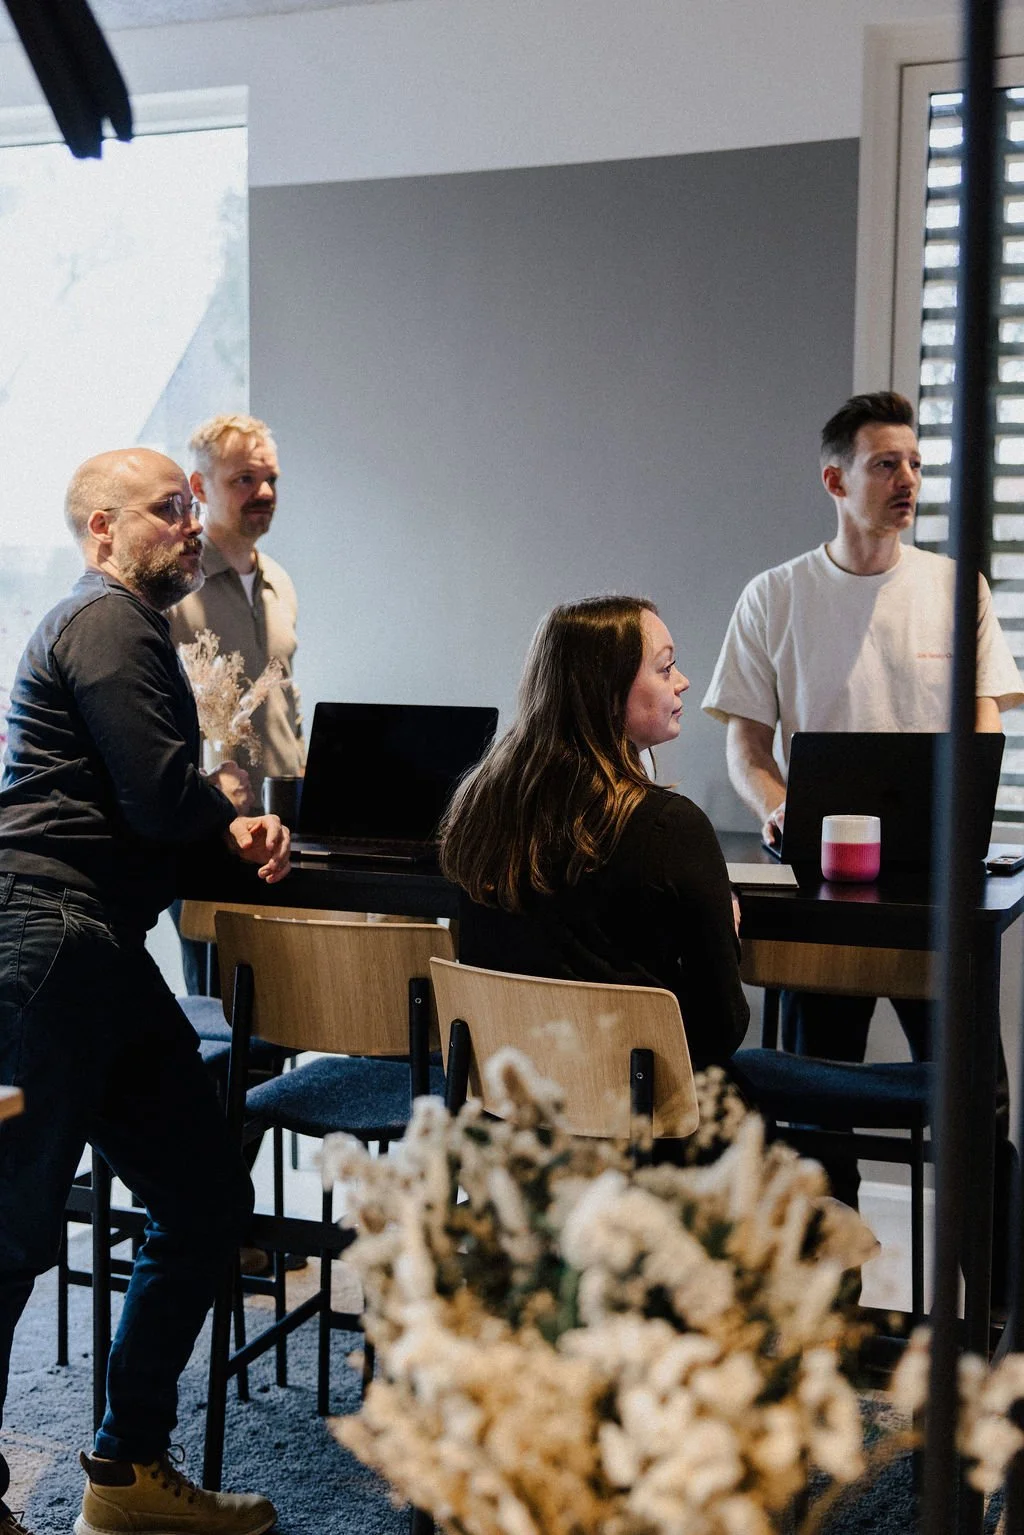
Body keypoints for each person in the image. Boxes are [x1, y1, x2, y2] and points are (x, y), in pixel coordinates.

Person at [0, 448, 290, 1535]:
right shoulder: (107, 620)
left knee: (206, 1198)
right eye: (165, 510)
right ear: (103, 531)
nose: (188, 524)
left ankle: (125, 1475)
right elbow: (161, 796)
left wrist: (224, 822)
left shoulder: (128, 624)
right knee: (12, 1228)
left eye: (185, 508)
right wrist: (231, 817)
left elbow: (157, 808)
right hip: (46, 934)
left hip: (97, 946)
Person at [701, 390, 1024, 1215]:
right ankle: (826, 1295)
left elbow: (985, 718)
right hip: (824, 891)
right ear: (836, 480)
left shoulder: (962, 590)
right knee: (817, 1116)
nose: (907, 478)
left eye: (914, 462)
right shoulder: (774, 595)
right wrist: (775, 805)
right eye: (887, 463)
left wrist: (973, 783)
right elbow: (745, 748)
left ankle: (991, 1315)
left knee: (975, 1104)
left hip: (936, 887)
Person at [440, 595, 749, 1074]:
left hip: (511, 1119)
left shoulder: (479, 806)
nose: (683, 682)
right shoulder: (673, 826)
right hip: (640, 1126)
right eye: (666, 669)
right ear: (608, 692)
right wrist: (724, 936)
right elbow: (721, 1030)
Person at [167, 414, 302, 994]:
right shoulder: (174, 585)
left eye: (269, 478)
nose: (264, 492)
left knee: (282, 1002)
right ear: (199, 489)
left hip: (280, 826)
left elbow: (283, 699)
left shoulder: (281, 583)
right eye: (243, 480)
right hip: (208, 829)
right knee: (219, 1013)